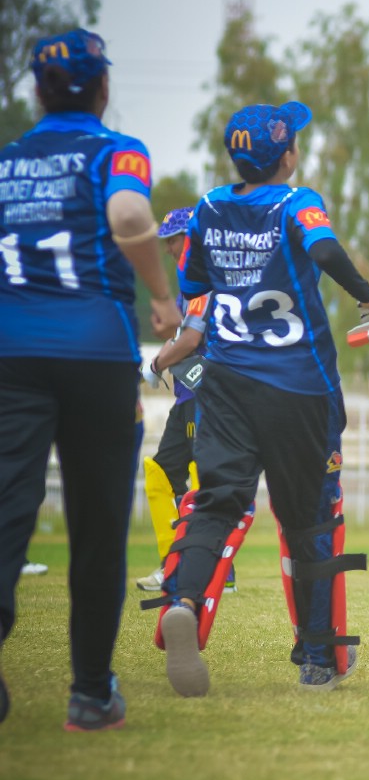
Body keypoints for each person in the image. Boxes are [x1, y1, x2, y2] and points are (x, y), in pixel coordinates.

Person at [147, 101, 369, 697]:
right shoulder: (295, 202)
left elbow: (193, 285)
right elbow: (325, 251)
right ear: (287, 156)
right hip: (298, 386)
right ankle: (317, 659)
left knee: (216, 503)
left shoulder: (208, 208)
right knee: (309, 519)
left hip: (226, 385)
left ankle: (184, 601)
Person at [0, 29, 181, 731]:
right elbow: (130, 213)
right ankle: (90, 693)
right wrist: (160, 296)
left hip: (10, 355)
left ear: (37, 91)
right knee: (99, 528)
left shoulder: (8, 160)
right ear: (103, 87)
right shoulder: (117, 151)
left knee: (7, 511)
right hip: (96, 353)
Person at [135, 207, 213, 593]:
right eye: (166, 241)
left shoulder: (202, 280)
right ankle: (185, 566)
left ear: (193, 237)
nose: (168, 248)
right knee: (165, 474)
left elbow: (191, 340)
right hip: (188, 396)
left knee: (196, 480)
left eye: (174, 239)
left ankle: (192, 569)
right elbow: (183, 336)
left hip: (204, 396)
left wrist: (156, 363)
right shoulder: (189, 285)